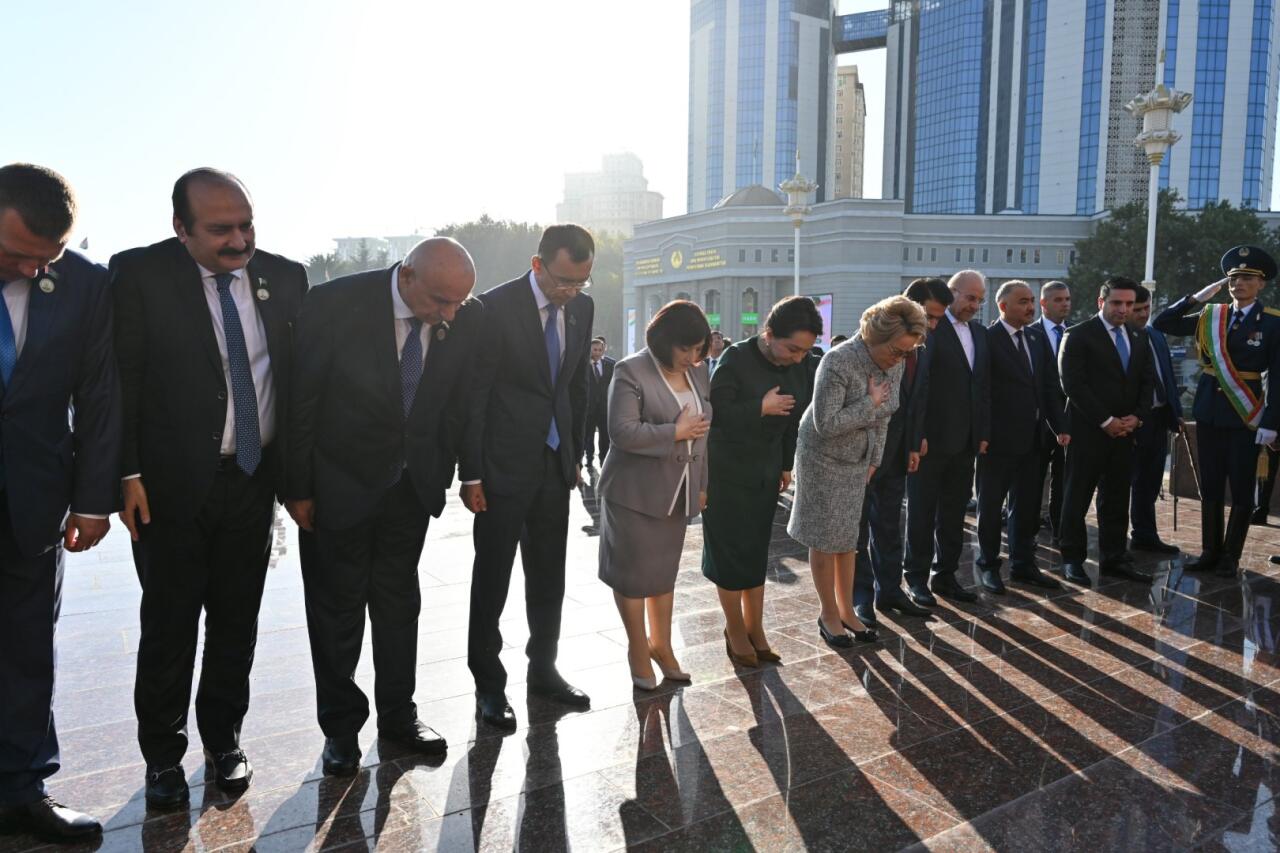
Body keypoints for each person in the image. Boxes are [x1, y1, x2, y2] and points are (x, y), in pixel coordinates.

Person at [111, 168, 308, 807]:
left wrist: (297, 479)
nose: (238, 239)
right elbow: (121, 382)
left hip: (251, 479)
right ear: (180, 228)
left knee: (236, 620)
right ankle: (163, 759)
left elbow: (298, 384)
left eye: (246, 224)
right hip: (168, 487)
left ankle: (223, 741)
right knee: (169, 623)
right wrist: (126, 473)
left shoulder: (284, 277)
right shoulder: (139, 276)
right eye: (220, 229)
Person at [284, 238, 480, 775]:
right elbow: (302, 398)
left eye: (459, 303)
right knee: (336, 610)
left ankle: (399, 715)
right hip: (338, 484)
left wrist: (464, 469)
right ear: (409, 275)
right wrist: (297, 487)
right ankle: (341, 730)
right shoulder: (334, 303)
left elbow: (460, 399)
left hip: (411, 486)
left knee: (399, 604)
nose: (450, 314)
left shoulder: (462, 312)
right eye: (441, 301)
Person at [0, 164, 119, 842]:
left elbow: (99, 393)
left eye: (46, 256)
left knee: (25, 648)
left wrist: (93, 500)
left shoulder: (85, 283)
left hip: (34, 493)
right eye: (16, 252)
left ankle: (22, 789)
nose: (31, 267)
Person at [460, 225, 595, 732]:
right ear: (537, 264)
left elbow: (577, 385)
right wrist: (470, 472)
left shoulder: (582, 309)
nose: (570, 292)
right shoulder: (491, 309)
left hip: (554, 464)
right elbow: (474, 395)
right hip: (500, 467)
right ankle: (489, 686)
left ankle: (544, 671)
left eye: (581, 282)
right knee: (491, 579)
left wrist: (576, 452)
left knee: (548, 576)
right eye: (563, 281)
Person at [789, 296, 927, 647]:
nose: (901, 359)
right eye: (897, 351)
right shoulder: (838, 361)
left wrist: (874, 461)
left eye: (907, 353)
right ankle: (828, 613)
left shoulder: (891, 361)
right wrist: (871, 402)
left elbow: (886, 416)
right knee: (825, 537)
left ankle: (848, 609)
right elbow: (827, 423)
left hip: (858, 460)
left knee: (848, 540)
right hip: (822, 457)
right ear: (874, 338)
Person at [597, 301, 712, 689]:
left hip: (677, 491)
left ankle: (662, 645)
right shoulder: (631, 370)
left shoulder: (697, 373)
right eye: (687, 349)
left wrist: (701, 484)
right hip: (634, 494)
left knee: (664, 576)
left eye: (700, 350)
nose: (694, 359)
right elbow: (622, 432)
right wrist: (673, 433)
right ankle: (637, 648)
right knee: (632, 578)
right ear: (665, 341)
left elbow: (703, 432)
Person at [702, 296, 819, 666]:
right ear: (768, 334)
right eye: (792, 348)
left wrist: (786, 464)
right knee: (729, 552)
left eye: (805, 351)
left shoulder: (798, 365)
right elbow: (714, 416)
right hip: (726, 471)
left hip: (766, 470)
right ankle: (734, 628)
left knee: (755, 549)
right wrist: (759, 407)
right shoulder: (735, 359)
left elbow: (793, 418)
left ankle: (756, 628)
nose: (799, 358)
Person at [1154, 246, 1280, 578]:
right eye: (1233, 278)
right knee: (1209, 485)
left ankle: (1230, 556)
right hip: (1209, 413)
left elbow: (1279, 377)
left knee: (1240, 487)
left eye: (1247, 278)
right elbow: (1162, 322)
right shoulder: (1212, 316)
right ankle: (1209, 551)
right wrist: (1197, 297)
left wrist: (1271, 422)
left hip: (1245, 417)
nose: (1238, 283)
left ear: (1260, 284)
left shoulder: (1272, 323)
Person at [852, 278, 949, 627]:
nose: (935, 326)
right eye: (931, 317)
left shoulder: (921, 348)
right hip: (863, 453)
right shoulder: (870, 346)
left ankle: (889, 591)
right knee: (858, 529)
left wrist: (913, 443)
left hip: (897, 453)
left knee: (890, 526)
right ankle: (859, 598)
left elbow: (918, 397)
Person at [1058, 277, 1154, 586]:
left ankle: (1114, 559)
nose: (1123, 309)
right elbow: (1073, 384)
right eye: (1116, 303)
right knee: (1077, 498)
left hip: (1125, 434)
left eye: (1129, 304)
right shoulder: (1078, 336)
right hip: (1088, 432)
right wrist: (1106, 420)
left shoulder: (1139, 337)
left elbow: (1146, 383)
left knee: (1116, 498)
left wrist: (1136, 418)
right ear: (1101, 302)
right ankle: (1072, 560)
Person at [903, 270, 991, 605]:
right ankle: (916, 578)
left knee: (954, 514)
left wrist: (982, 432)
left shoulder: (980, 334)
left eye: (980, 299)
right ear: (952, 293)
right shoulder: (928, 330)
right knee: (922, 513)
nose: (975, 305)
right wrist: (918, 434)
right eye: (970, 297)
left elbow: (982, 387)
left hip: (965, 442)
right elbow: (920, 387)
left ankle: (946, 575)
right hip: (929, 442)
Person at [974, 281, 1065, 593]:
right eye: (1023, 302)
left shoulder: (1038, 337)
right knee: (990, 507)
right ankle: (988, 564)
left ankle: (1023, 564)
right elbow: (981, 390)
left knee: (1026, 508)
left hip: (1035, 441)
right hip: (997, 442)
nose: (1030, 307)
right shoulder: (986, 338)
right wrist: (982, 433)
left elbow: (1050, 386)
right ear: (1003, 306)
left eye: (1031, 301)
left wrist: (1060, 426)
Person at [1127, 284, 1182, 554]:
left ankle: (1145, 534)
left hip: (1159, 418)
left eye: (1146, 308)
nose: (1142, 314)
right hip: (1131, 422)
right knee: (1123, 483)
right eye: (1137, 309)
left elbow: (1168, 376)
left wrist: (1177, 412)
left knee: (1150, 481)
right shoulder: (1120, 339)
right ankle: (1114, 541)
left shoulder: (1156, 335)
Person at [1036, 281, 1072, 543]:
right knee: (1033, 481)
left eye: (1067, 299)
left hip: (1069, 422)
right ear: (1044, 303)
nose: (1065, 304)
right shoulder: (1030, 334)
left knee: (1063, 481)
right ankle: (1028, 532)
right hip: (1036, 423)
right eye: (1058, 299)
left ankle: (1060, 531)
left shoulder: (1076, 334)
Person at [584, 336, 614, 470]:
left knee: (605, 436)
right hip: (589, 407)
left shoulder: (611, 364)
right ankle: (589, 459)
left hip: (604, 407)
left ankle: (603, 461)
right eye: (594, 350)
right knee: (588, 435)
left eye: (599, 350)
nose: (597, 352)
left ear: (603, 350)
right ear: (590, 350)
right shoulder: (583, 364)